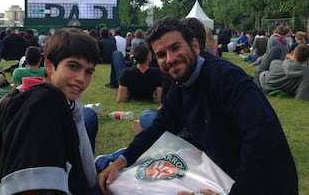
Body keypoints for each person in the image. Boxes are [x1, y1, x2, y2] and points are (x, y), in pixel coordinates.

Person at [98, 17, 298, 195]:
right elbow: (157, 129)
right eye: (161, 54)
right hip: (221, 179)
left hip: (263, 185)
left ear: (194, 45)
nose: (170, 59)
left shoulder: (225, 78)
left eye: (175, 48)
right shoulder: (180, 89)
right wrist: (121, 161)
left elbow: (262, 138)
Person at [0, 28, 100, 194]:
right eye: (73, 66)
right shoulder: (44, 104)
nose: (81, 78)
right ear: (49, 65)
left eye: (89, 71)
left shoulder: (19, 99)